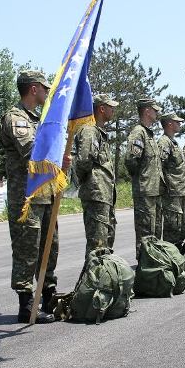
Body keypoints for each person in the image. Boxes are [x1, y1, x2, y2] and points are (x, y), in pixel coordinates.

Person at [0, 70, 59, 324]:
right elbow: (31, 152)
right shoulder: (16, 118)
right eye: (44, 87)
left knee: (50, 247)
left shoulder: (38, 119)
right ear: (33, 89)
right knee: (27, 250)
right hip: (26, 198)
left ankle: (48, 296)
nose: (47, 92)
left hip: (45, 194)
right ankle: (26, 304)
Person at [73, 94, 119, 259]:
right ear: (101, 108)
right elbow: (84, 160)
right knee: (97, 245)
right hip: (96, 194)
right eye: (110, 106)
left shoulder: (99, 132)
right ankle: (93, 281)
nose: (113, 110)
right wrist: (88, 183)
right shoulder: (90, 131)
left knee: (106, 241)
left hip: (104, 194)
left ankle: (102, 279)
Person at [125, 98, 165, 260]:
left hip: (154, 190)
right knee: (145, 232)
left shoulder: (149, 134)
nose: (157, 113)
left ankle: (153, 264)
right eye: (154, 110)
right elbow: (130, 160)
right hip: (145, 191)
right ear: (147, 111)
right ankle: (144, 264)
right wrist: (141, 178)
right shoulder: (138, 132)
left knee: (155, 232)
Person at [158, 112, 185, 249]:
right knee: (173, 228)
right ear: (169, 124)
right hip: (171, 193)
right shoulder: (164, 142)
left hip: (180, 191)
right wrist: (165, 187)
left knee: (180, 226)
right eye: (177, 122)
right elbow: (159, 166)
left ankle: (178, 255)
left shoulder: (174, 142)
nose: (180, 124)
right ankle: (171, 254)